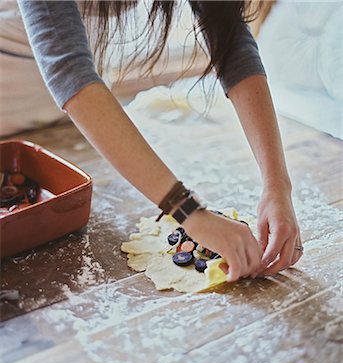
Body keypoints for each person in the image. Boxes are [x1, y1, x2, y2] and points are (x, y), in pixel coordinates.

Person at [16, 0, 303, 282]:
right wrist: (190, 213)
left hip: (80, 111)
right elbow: (70, 73)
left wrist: (278, 185)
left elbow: (232, 42)